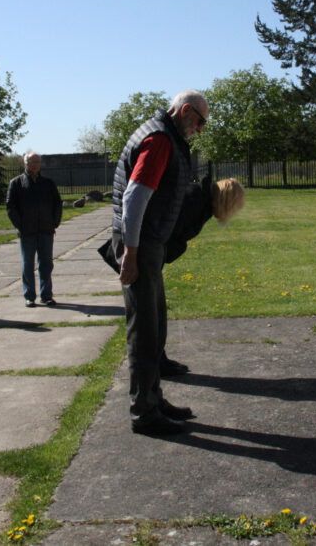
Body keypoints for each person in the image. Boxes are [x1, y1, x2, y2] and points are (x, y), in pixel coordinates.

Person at [111, 89, 208, 435]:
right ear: (185, 111)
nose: (199, 129)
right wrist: (131, 254)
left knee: (155, 326)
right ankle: (144, 413)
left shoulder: (161, 133)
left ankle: (153, 398)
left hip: (148, 243)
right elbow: (135, 196)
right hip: (141, 245)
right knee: (144, 332)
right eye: (199, 121)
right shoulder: (160, 139)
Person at [159, 174, 246, 377]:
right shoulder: (195, 202)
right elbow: (172, 234)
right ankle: (154, 365)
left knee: (156, 314)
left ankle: (159, 360)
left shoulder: (200, 200)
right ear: (227, 201)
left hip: (151, 256)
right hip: (146, 256)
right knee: (150, 316)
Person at [6, 151, 63, 308]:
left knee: (46, 264)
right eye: (32, 162)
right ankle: (29, 296)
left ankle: (46, 295)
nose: (35, 165)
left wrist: (54, 223)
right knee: (28, 264)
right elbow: (10, 207)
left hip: (46, 230)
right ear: (25, 164)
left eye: (37, 162)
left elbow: (57, 203)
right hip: (27, 232)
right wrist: (20, 225)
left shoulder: (48, 183)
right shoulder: (16, 183)